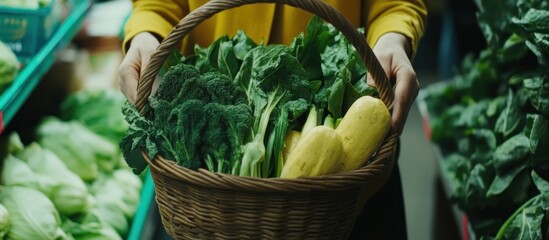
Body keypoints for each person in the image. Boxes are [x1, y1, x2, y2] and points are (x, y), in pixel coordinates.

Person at [119, 1, 427, 239]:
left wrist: (393, 37)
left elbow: (396, 5)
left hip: (347, 196)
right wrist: (146, 33)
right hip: (205, 202)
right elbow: (154, 5)